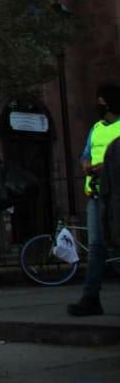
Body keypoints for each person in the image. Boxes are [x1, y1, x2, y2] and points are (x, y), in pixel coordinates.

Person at [69, 82, 120, 317]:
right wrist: (86, 164)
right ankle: (91, 298)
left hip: (116, 196)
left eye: (100, 101)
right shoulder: (96, 128)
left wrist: (103, 167)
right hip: (96, 196)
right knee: (95, 247)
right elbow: (85, 155)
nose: (97, 105)